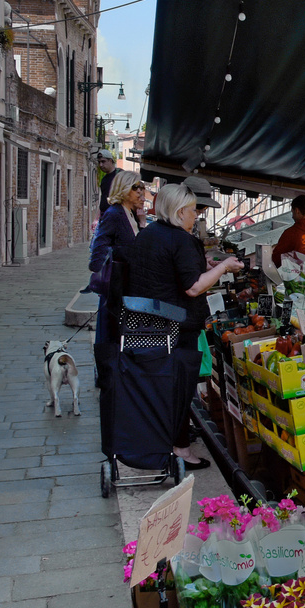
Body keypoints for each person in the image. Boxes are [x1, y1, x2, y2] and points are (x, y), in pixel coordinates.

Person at [124, 182, 242, 467]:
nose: (195, 216)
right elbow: (192, 287)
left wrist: (207, 264)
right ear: (179, 212)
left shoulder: (148, 234)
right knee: (180, 388)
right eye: (192, 211)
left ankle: (163, 441)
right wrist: (223, 267)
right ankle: (181, 450)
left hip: (146, 325)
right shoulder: (182, 239)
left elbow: (166, 271)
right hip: (177, 327)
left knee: (158, 386)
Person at [90, 169, 145, 434]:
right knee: (111, 338)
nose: (141, 193)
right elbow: (98, 251)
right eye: (137, 188)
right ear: (124, 188)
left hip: (125, 290)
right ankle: (109, 380)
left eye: (142, 188)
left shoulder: (131, 215)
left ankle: (116, 380)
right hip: (114, 291)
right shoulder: (113, 214)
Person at [272, 196, 305, 268]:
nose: (292, 217)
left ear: (297, 211)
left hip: (297, 278)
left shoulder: (290, 234)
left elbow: (277, 258)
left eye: (293, 212)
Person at [97, 152, 121, 219]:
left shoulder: (120, 175)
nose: (101, 165)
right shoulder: (104, 179)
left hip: (116, 216)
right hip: (105, 216)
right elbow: (103, 199)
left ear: (110, 161)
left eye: (103, 161)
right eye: (99, 162)